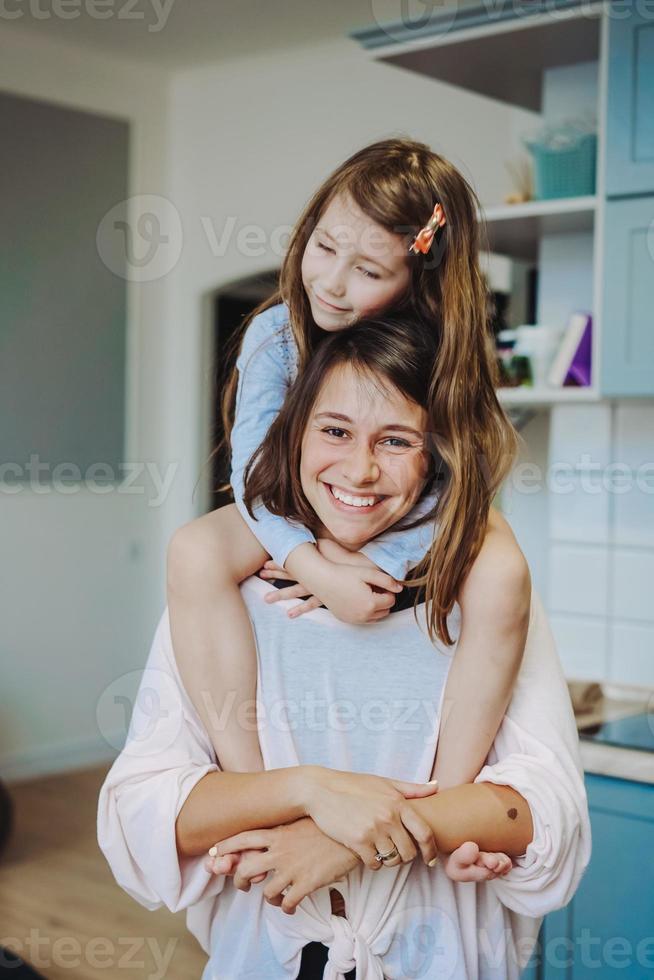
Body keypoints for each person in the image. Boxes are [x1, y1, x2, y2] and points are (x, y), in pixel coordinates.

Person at [98, 317, 591, 979]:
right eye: (334, 431)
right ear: (292, 433)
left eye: (396, 440)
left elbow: (544, 813)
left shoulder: (482, 597)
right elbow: (144, 816)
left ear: (436, 455)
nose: (360, 470)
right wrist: (310, 792)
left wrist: (349, 843)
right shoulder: (225, 597)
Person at [167, 141, 531, 852]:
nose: (331, 283)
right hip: (285, 504)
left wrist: (386, 558)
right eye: (324, 247)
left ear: (416, 279)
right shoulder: (278, 331)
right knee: (194, 548)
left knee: (504, 572)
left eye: (367, 270)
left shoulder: (438, 349)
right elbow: (250, 470)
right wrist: (313, 562)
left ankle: (448, 795)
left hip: (417, 511)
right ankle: (253, 786)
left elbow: (460, 482)